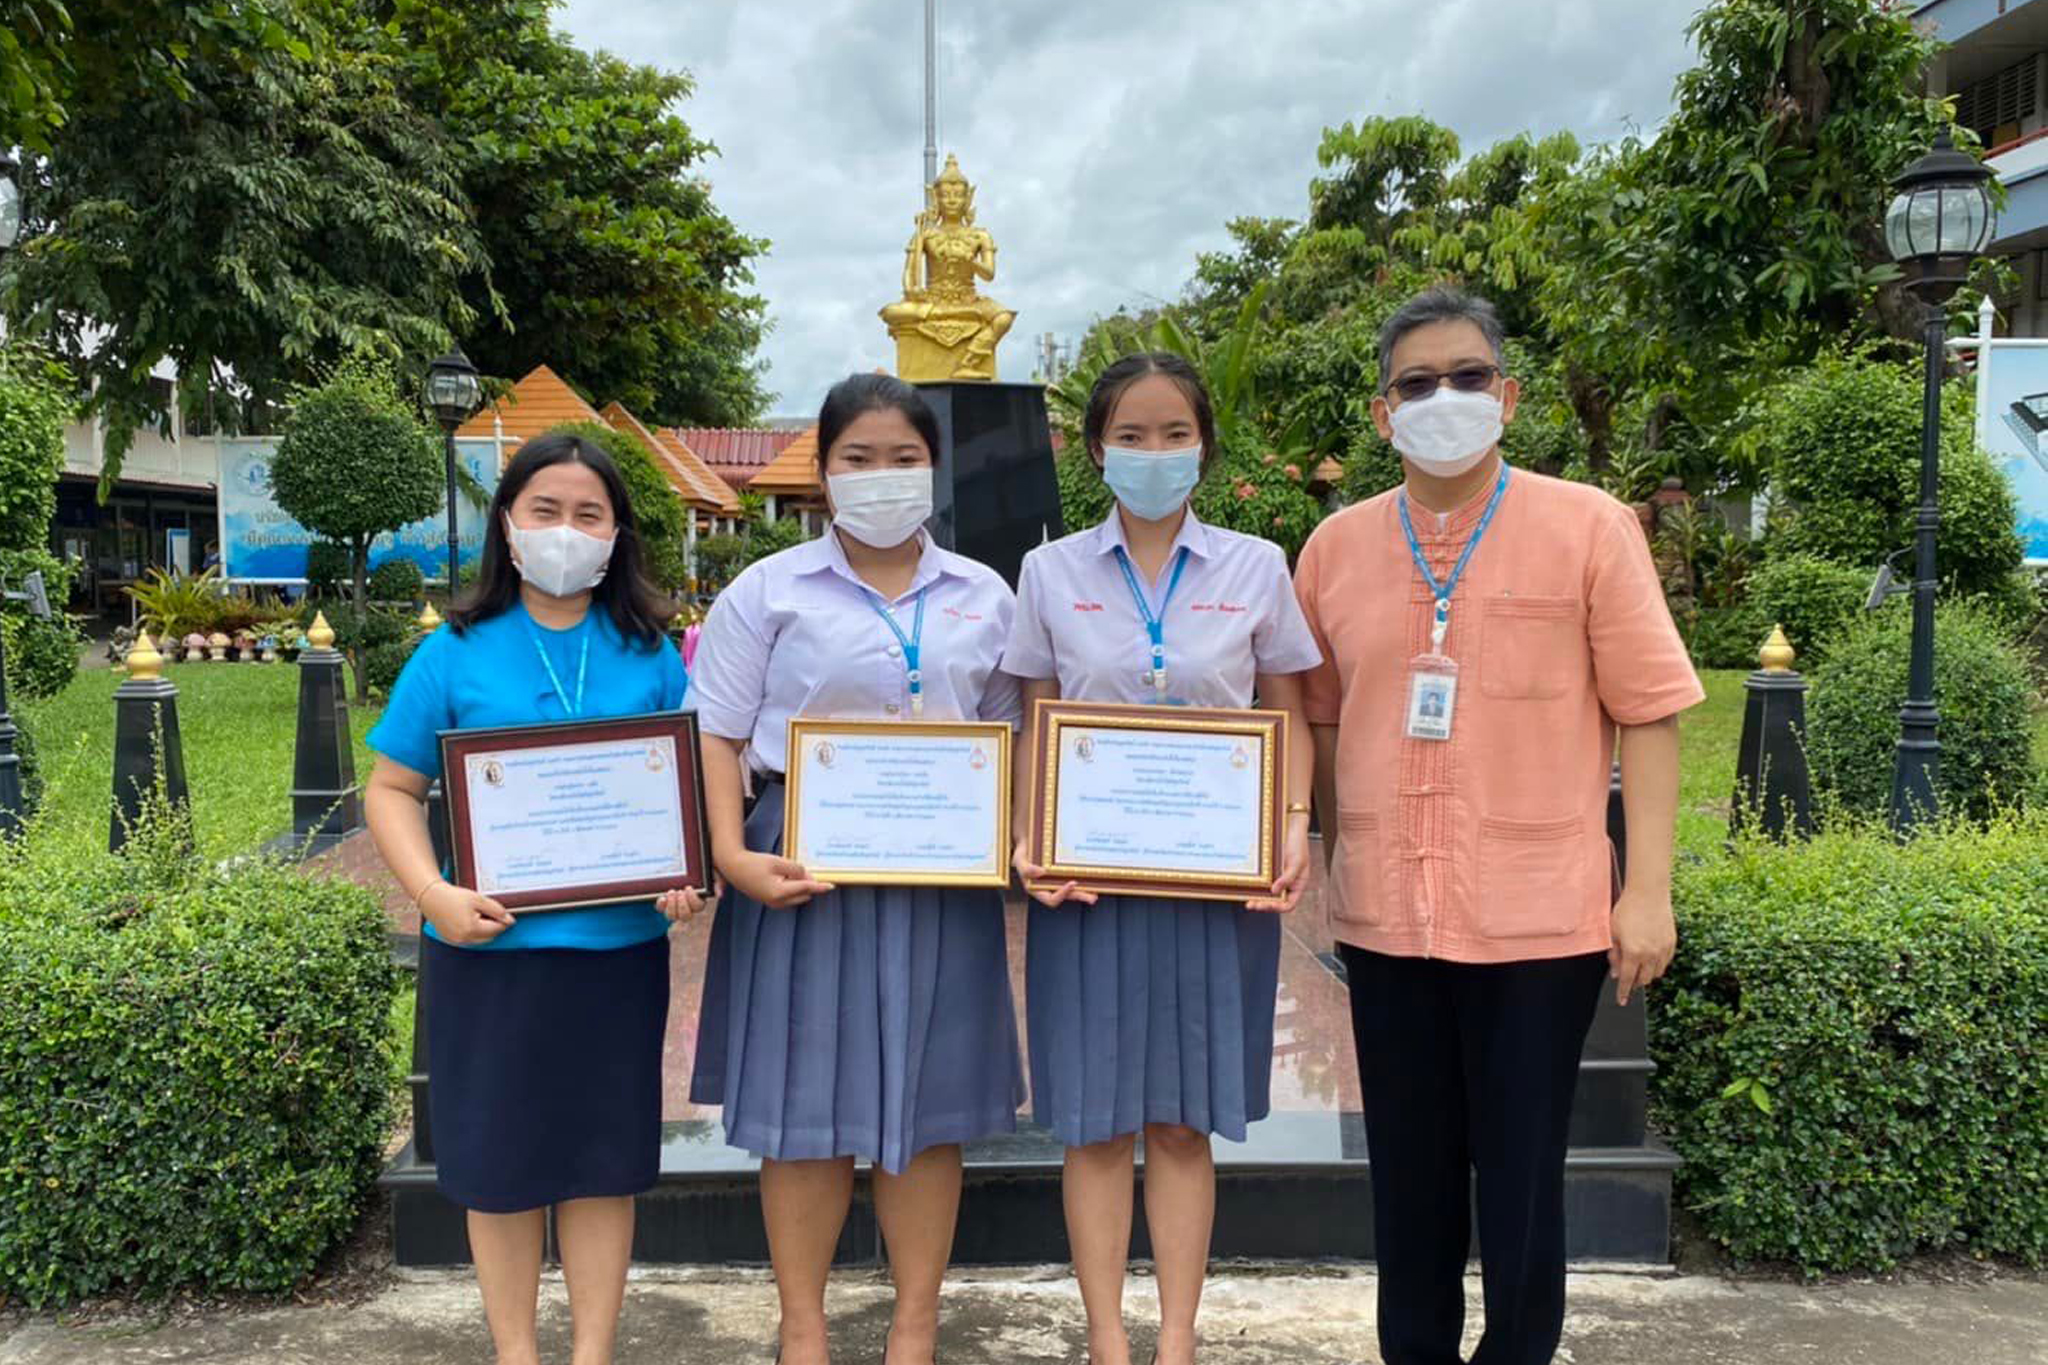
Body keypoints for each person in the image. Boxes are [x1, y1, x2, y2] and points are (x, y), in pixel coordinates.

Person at [1292, 286, 1702, 1365]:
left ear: (1506, 395)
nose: (1442, 400)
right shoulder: (1332, 550)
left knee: (1519, 1184)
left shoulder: (1588, 527)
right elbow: (1320, 726)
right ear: (1382, 414)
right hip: (1386, 924)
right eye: (1415, 384)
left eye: (1465, 378)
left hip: (1536, 923)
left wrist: (1645, 891)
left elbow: (1649, 714)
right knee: (1408, 1182)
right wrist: (1335, 867)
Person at [688, 373, 1026, 1365]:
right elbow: (716, 734)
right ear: (824, 472)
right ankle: (804, 1327)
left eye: (903, 458)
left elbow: (1008, 733)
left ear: (934, 468)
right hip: (801, 863)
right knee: (803, 1111)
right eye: (858, 458)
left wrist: (1009, 834)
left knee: (928, 1110)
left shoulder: (982, 594)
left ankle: (913, 1325)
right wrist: (729, 855)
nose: (882, 477)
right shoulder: (769, 590)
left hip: (942, 871)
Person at [363, 432, 714, 1365]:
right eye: (545, 510)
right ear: (508, 527)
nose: (567, 531)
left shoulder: (652, 654)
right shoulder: (454, 652)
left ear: (617, 533)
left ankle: (592, 1351)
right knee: (502, 1174)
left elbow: (686, 794)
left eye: (588, 514)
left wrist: (687, 873)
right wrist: (432, 891)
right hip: (489, 956)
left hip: (616, 959)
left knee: (603, 1170)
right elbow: (389, 789)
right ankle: (517, 1353)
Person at [1004, 353, 1322, 1365]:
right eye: (1130, 436)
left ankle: (1175, 1340)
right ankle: (1106, 1339)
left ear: (1203, 446)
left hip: (1212, 885)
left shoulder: (1255, 566)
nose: (1151, 453)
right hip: (1086, 886)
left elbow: (1288, 710)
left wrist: (1290, 820)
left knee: (1183, 1126)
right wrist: (1025, 838)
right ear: (1095, 450)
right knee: (1093, 1126)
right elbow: (1027, 716)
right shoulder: (1048, 572)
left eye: (1172, 434)